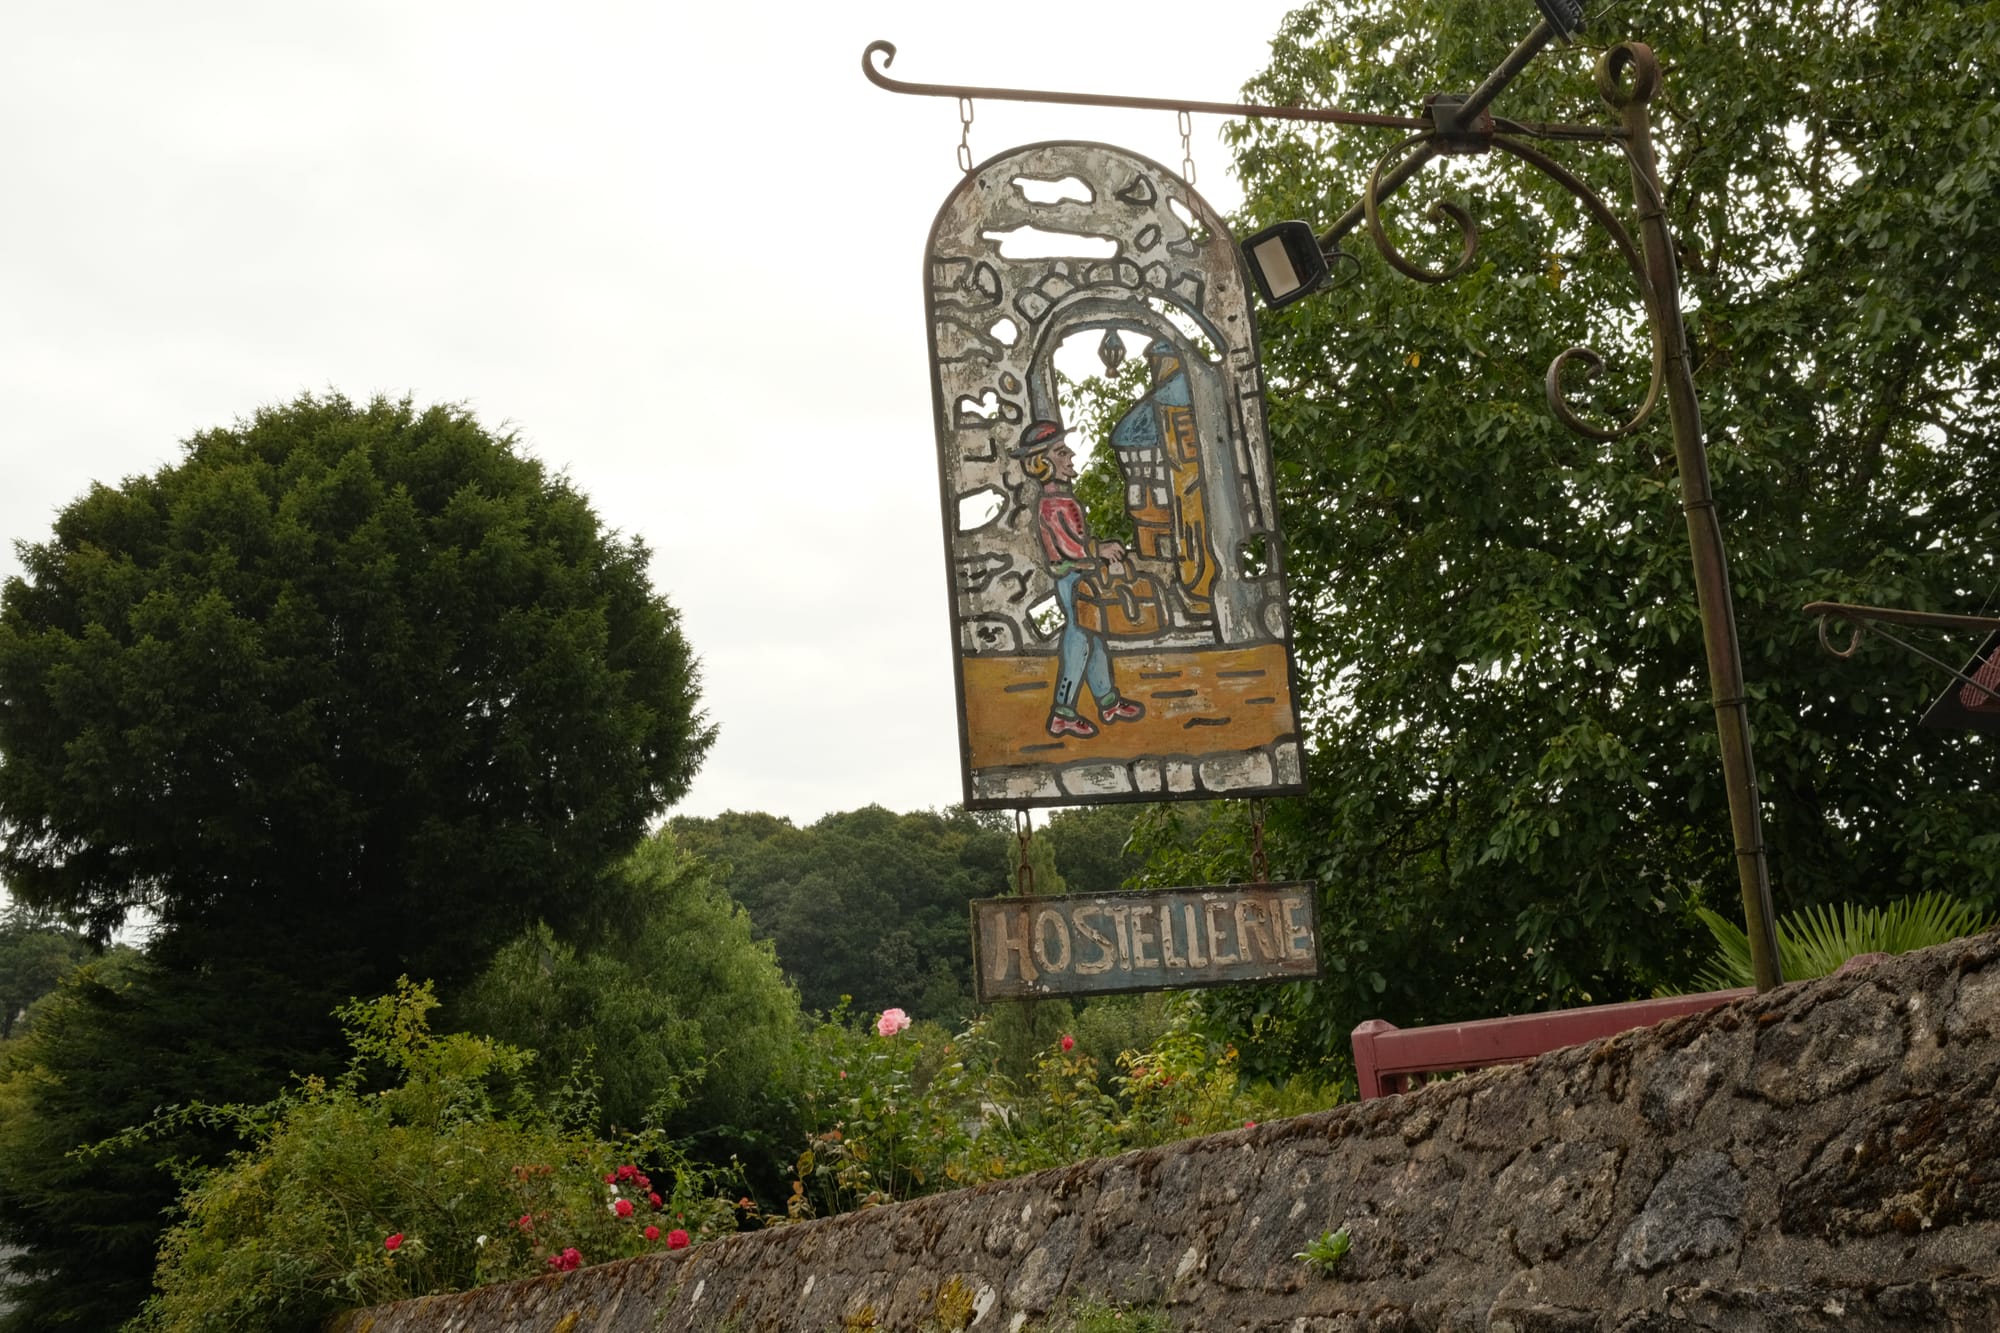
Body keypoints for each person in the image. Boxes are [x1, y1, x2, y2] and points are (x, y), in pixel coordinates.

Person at [1011, 419, 1147, 739]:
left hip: (1078, 578)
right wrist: (1102, 549)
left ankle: (1107, 701)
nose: (1071, 455)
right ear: (1044, 463)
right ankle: (1063, 712)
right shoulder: (1053, 504)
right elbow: (1073, 550)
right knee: (1079, 642)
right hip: (1072, 580)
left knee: (1095, 639)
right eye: (1061, 452)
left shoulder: (1062, 500)